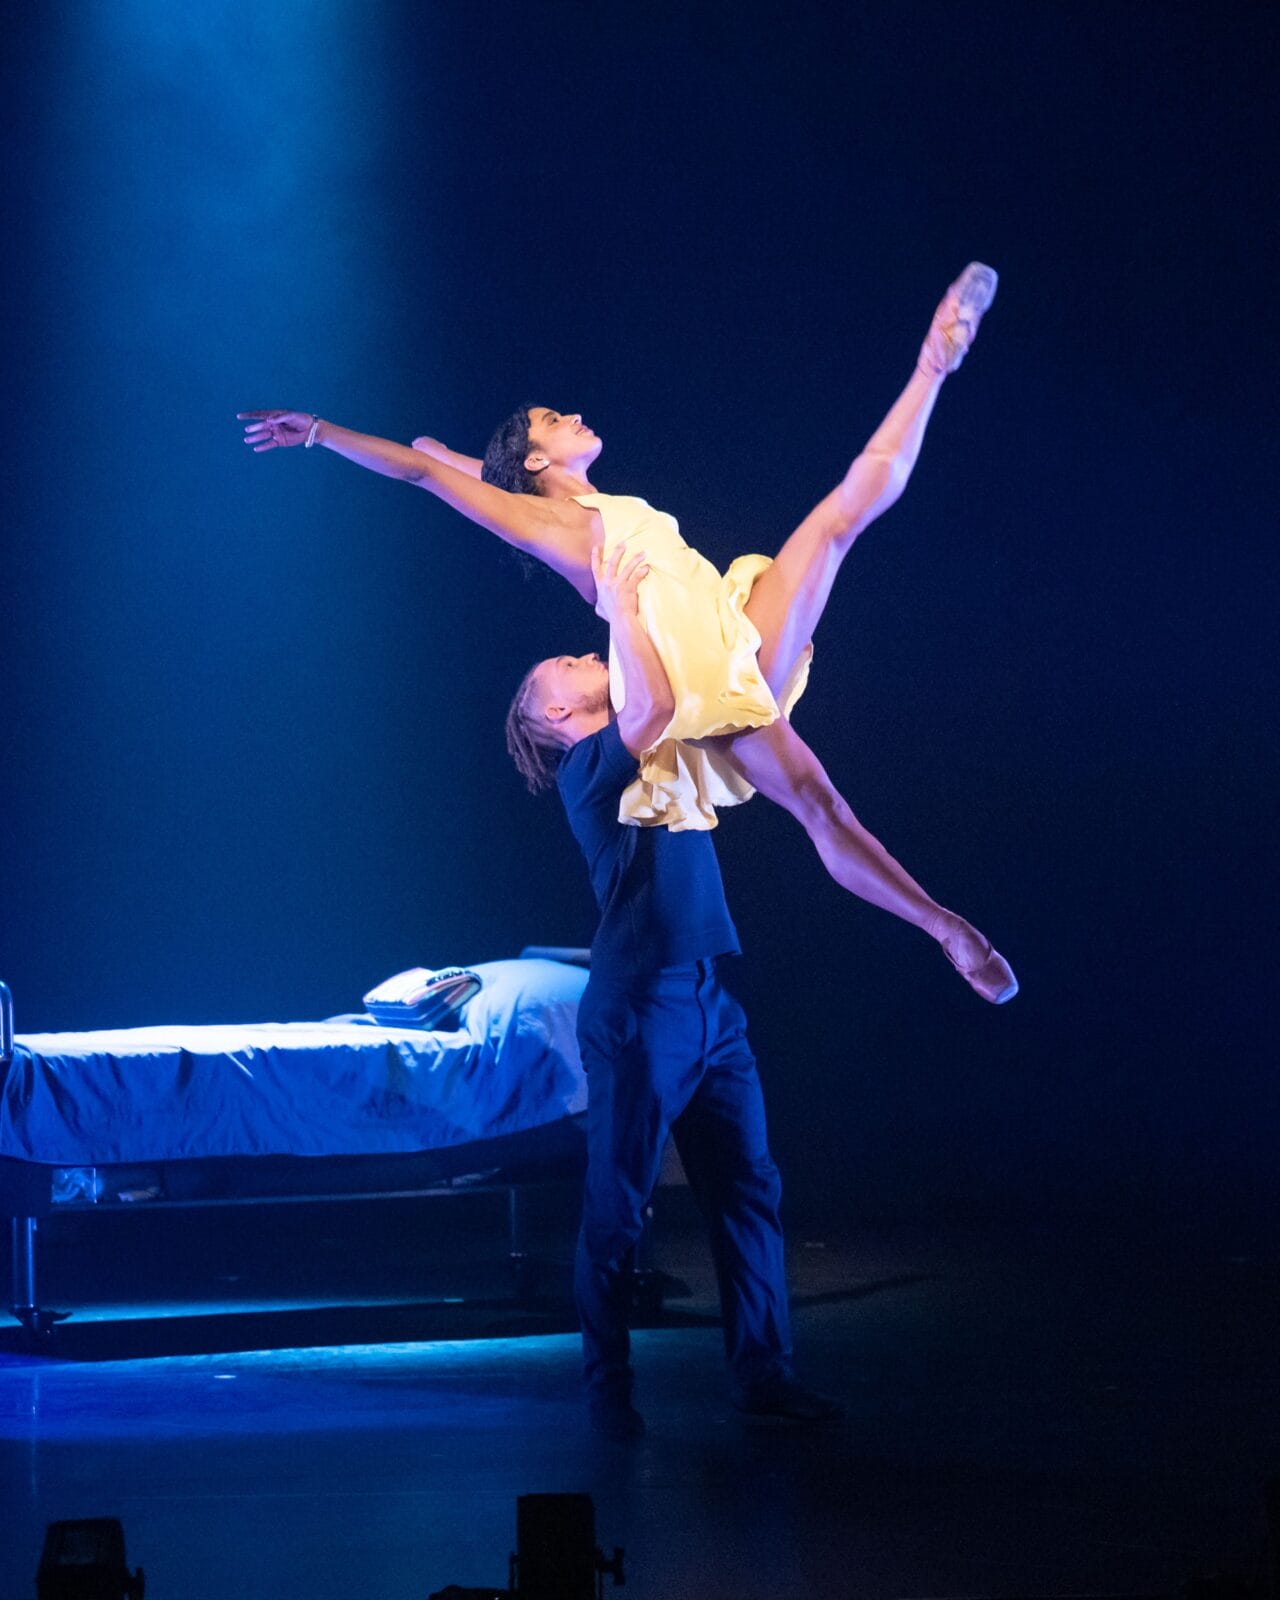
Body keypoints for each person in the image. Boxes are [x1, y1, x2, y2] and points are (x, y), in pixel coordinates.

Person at [240, 262, 1016, 1003]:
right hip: (695, 678)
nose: (574, 415)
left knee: (840, 520)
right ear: (539, 457)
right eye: (554, 419)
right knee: (821, 803)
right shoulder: (543, 522)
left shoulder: (572, 497)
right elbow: (426, 474)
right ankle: (946, 929)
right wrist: (321, 433)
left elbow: (464, 464)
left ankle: (933, 361)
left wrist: (450, 453)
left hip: (730, 624)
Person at [531, 540, 844, 1436]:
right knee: (619, 1203)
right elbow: (658, 695)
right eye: (568, 664)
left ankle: (762, 1374)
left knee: (749, 1187)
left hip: (710, 998)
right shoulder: (586, 770)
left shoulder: (656, 749)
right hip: (639, 1008)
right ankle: (607, 1389)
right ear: (558, 709)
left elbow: (700, 689)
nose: (587, 655)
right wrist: (621, 605)